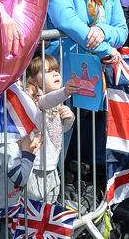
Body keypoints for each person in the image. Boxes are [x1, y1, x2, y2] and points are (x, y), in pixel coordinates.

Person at [46, 0, 128, 181]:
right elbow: (65, 19)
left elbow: (121, 30)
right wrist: (106, 49)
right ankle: (51, 207)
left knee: (85, 148)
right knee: (58, 146)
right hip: (61, 73)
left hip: (93, 78)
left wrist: (102, 31)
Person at [23, 54, 77, 202]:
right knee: (32, 208)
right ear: (34, 80)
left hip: (52, 167)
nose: (55, 73)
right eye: (47, 71)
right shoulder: (33, 101)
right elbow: (44, 102)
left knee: (50, 204)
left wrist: (69, 118)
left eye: (56, 70)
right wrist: (65, 92)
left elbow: (58, 132)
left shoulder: (59, 102)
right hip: (35, 167)